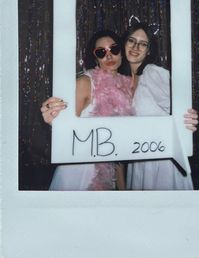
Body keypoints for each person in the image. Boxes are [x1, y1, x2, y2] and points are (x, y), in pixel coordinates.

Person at [41, 30, 133, 191]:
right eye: (101, 52)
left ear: (122, 52)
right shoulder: (85, 82)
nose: (109, 56)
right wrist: (53, 119)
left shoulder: (126, 89)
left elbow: (117, 148)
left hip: (108, 178)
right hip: (77, 173)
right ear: (95, 57)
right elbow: (64, 129)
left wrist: (123, 191)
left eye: (114, 49)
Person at [120, 21, 198, 190]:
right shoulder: (123, 81)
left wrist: (189, 120)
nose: (135, 47)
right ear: (124, 43)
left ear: (149, 51)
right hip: (138, 159)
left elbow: (181, 108)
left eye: (143, 44)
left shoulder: (154, 73)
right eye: (131, 41)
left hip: (163, 161)